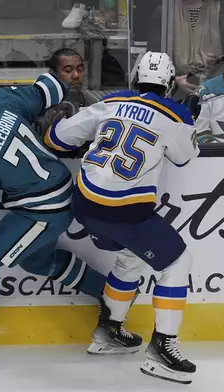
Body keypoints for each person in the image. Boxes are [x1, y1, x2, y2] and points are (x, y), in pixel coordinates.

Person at [0, 72, 142, 358]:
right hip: (60, 194)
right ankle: (109, 293)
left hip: (42, 210)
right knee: (37, 260)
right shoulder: (2, 101)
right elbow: (51, 87)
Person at [42, 51, 199, 384]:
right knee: (176, 262)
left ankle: (108, 333)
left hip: (84, 204)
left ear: (134, 79)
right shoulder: (176, 114)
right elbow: (184, 158)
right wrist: (190, 121)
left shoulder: (111, 102)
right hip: (125, 212)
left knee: (131, 256)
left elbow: (57, 137)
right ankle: (162, 349)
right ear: (169, 84)